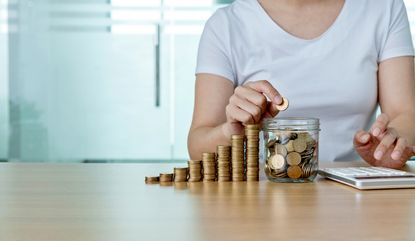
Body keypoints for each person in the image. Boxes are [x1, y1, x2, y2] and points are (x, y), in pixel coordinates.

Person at [188, 0, 415, 168]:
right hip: (261, 197)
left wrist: (391, 144)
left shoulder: (384, 8)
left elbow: (405, 114)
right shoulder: (225, 25)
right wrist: (232, 131)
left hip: (356, 193)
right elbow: (198, 146)